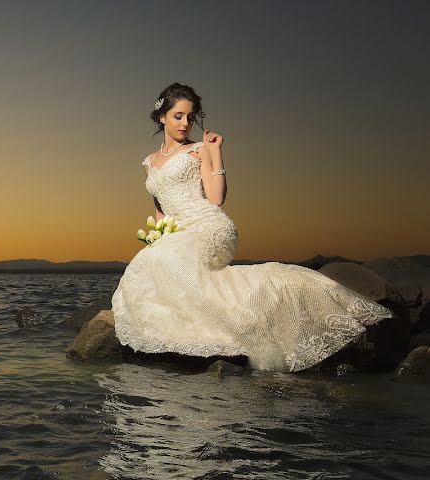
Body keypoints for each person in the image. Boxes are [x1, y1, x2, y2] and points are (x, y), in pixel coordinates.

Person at [110, 83, 393, 372]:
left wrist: (216, 152)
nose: (185, 123)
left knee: (165, 263)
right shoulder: (149, 163)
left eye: (190, 117)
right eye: (178, 116)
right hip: (178, 233)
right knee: (150, 264)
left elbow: (216, 198)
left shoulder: (199, 149)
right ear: (162, 117)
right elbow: (160, 209)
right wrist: (159, 237)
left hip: (210, 226)